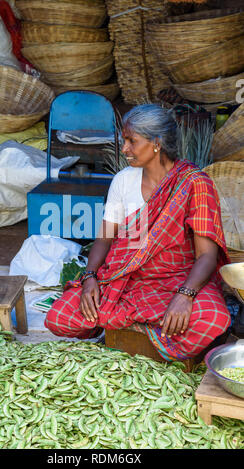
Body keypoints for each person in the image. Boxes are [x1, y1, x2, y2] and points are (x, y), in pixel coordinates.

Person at [44, 104, 231, 361]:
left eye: (132, 141)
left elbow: (207, 256)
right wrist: (90, 278)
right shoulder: (124, 180)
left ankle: (128, 325)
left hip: (180, 279)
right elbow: (104, 238)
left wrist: (185, 295)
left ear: (157, 143)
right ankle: (148, 326)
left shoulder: (194, 184)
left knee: (213, 321)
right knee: (59, 317)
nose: (124, 149)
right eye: (125, 141)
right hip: (128, 279)